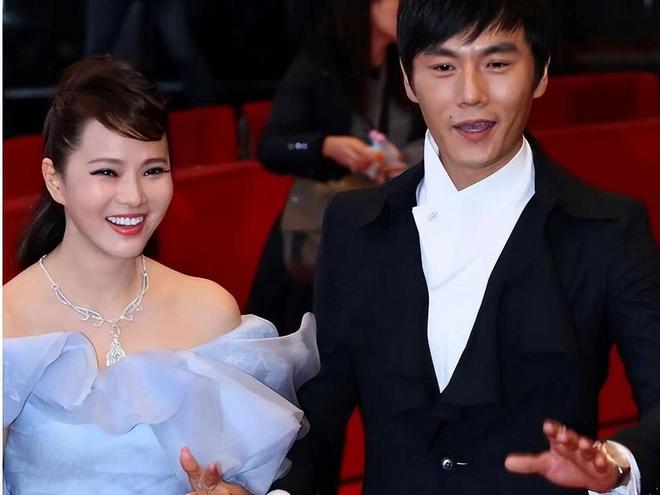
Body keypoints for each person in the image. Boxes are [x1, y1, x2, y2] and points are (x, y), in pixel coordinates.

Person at [271, 0, 660, 494]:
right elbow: (320, 415)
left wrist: (620, 464)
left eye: (496, 63)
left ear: (541, 73)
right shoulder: (356, 225)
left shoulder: (607, 230)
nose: (471, 93)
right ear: (409, 80)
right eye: (443, 67)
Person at [3, 56, 318, 495]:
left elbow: (243, 479)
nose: (134, 196)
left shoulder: (209, 313)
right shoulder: (10, 324)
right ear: (55, 180)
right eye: (107, 172)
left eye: (153, 170)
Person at [247, 0, 426, 332]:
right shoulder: (320, 62)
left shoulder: (410, 63)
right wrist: (326, 146)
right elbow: (273, 147)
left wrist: (407, 161)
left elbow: (432, 136)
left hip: (388, 229)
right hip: (324, 229)